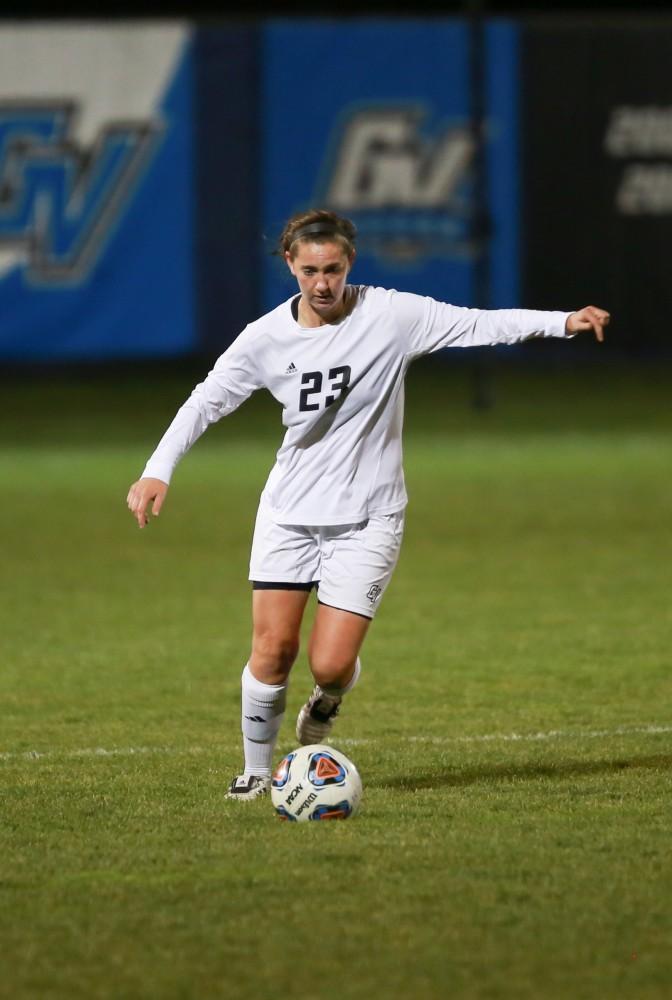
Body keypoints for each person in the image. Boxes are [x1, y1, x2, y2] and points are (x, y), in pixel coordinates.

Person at [126, 208, 610, 801]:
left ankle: (326, 702)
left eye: (332, 269)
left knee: (329, 665)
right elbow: (205, 401)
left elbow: (478, 323)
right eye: (309, 271)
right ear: (290, 265)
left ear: (349, 262)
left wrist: (563, 321)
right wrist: (158, 470)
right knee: (273, 650)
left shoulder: (391, 315)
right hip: (289, 512)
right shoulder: (264, 337)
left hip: (369, 518)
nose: (322, 283)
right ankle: (256, 772)